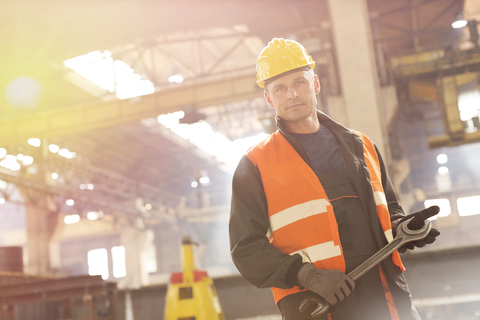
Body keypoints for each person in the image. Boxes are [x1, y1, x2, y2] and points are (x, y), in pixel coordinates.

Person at [229, 38, 440, 320]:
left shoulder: (362, 145)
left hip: (385, 295)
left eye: (299, 82)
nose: (292, 94)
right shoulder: (255, 164)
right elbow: (245, 248)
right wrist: (307, 276)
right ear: (269, 98)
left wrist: (404, 228)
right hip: (317, 304)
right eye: (280, 88)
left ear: (315, 84)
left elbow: (388, 210)